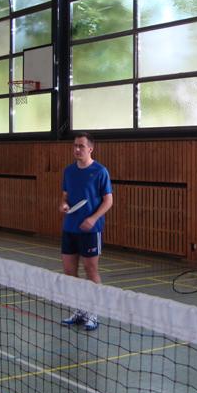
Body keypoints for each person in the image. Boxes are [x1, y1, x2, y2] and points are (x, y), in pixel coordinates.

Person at [59, 132, 113, 331]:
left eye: (81, 146)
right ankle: (80, 310)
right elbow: (65, 195)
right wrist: (63, 204)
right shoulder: (69, 171)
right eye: (75, 145)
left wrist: (92, 218)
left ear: (90, 148)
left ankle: (93, 313)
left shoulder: (100, 171)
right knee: (69, 272)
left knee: (91, 271)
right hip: (70, 228)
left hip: (91, 231)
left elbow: (108, 201)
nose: (77, 149)